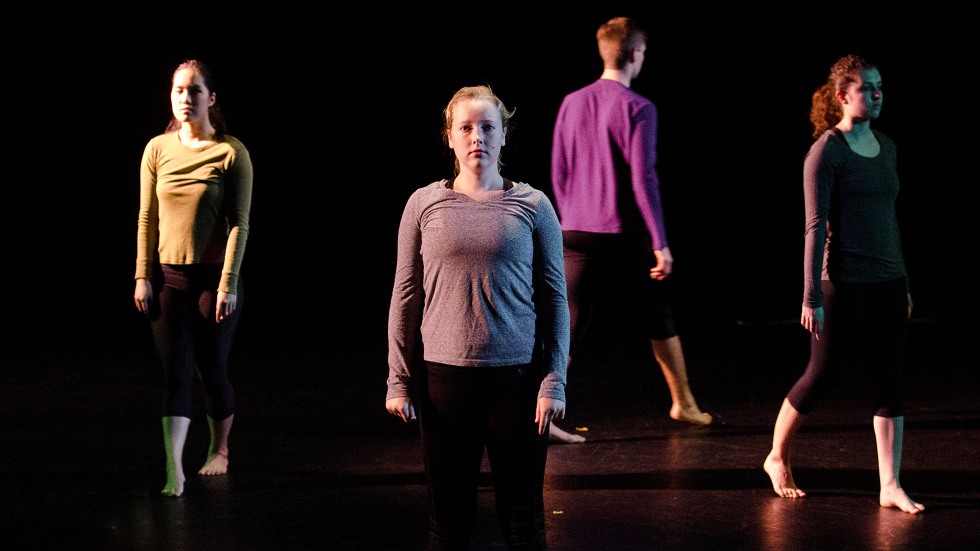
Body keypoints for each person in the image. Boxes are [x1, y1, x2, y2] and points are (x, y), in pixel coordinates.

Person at [386, 85, 570, 550]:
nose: (477, 138)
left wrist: (554, 382)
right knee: (449, 525)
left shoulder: (533, 205)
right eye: (465, 128)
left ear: (504, 134)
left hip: (517, 383)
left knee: (524, 523)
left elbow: (555, 298)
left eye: (488, 127)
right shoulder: (423, 204)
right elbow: (405, 296)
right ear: (449, 137)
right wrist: (398, 379)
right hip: (444, 384)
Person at [763, 54, 924, 514]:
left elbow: (889, 220)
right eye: (865, 88)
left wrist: (906, 283)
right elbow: (814, 227)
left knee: (889, 379)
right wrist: (811, 293)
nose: (875, 95)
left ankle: (889, 485)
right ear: (841, 96)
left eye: (879, 87)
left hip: (888, 280)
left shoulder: (888, 147)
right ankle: (776, 456)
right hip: (843, 282)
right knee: (822, 375)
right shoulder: (827, 151)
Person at [548, 16, 712, 444]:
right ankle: (685, 403)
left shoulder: (571, 101)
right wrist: (660, 242)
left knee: (568, 323)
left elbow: (559, 171)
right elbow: (645, 179)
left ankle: (540, 416)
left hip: (575, 230)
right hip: (621, 233)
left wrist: (569, 219)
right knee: (659, 315)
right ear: (637, 55)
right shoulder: (639, 107)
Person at [133, 59, 254, 498]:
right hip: (167, 277)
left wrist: (227, 284)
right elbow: (147, 216)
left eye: (194, 90)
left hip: (212, 280)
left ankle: (219, 451)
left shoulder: (231, 151)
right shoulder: (157, 149)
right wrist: (141, 275)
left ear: (211, 98)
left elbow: (240, 223)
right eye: (178, 90)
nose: (185, 98)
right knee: (175, 373)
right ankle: (174, 471)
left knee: (212, 371)